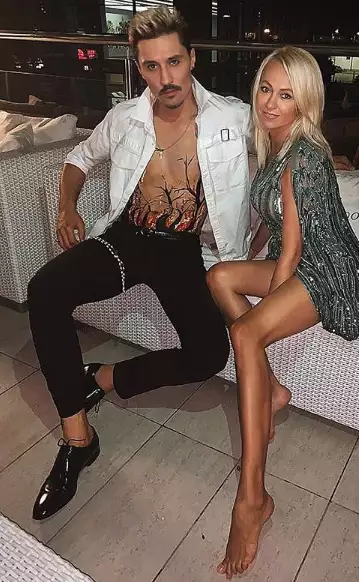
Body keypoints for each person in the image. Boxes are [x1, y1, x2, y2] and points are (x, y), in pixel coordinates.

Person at [27, 6, 253, 521]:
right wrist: (67, 206)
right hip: (127, 238)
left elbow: (283, 144)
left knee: (209, 354)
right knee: (45, 290)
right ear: (139, 68)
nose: (165, 77)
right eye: (152, 66)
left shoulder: (232, 118)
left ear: (192, 59)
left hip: (184, 249)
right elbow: (78, 159)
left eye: (174, 62)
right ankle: (78, 439)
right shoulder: (125, 117)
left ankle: (102, 378)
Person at [207, 46, 359, 578]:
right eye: (265, 89)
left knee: (246, 335)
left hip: (330, 270)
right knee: (220, 276)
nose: (270, 103)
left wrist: (262, 319)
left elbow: (295, 251)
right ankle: (273, 390)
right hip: (297, 258)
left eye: (286, 95)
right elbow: (274, 227)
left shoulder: (305, 156)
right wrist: (244, 258)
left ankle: (252, 499)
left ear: (305, 103)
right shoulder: (273, 144)